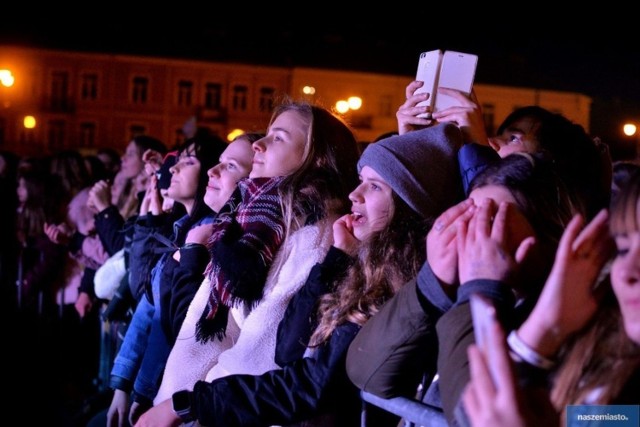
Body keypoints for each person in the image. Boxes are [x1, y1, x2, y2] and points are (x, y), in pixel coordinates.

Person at [136, 122, 465, 427]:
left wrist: (192, 404)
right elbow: (291, 345)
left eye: (375, 186)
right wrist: (336, 259)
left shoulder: (390, 276)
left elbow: (314, 380)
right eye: (360, 180)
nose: (355, 194)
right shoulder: (357, 260)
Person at [346, 153, 577, 423]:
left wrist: (482, 290)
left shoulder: (574, 320)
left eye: (491, 222)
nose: (472, 235)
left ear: (548, 234)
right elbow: (365, 373)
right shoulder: (456, 296)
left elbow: (468, 417)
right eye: (468, 218)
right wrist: (431, 284)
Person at [462, 167, 640, 427]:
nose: (626, 272)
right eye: (623, 249)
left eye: (493, 223)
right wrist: (545, 326)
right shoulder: (611, 356)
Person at [105, 135, 225, 426]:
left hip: (176, 393)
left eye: (188, 162)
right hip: (151, 387)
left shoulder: (208, 237)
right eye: (177, 161)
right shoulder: (182, 230)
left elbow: (174, 323)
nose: (173, 169)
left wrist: (139, 392)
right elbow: (148, 301)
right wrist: (122, 385)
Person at [396, 82, 611, 220]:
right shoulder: (457, 184)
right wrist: (411, 142)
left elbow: (483, 215)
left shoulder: (532, 227)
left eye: (514, 138)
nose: (492, 141)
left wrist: (477, 146)